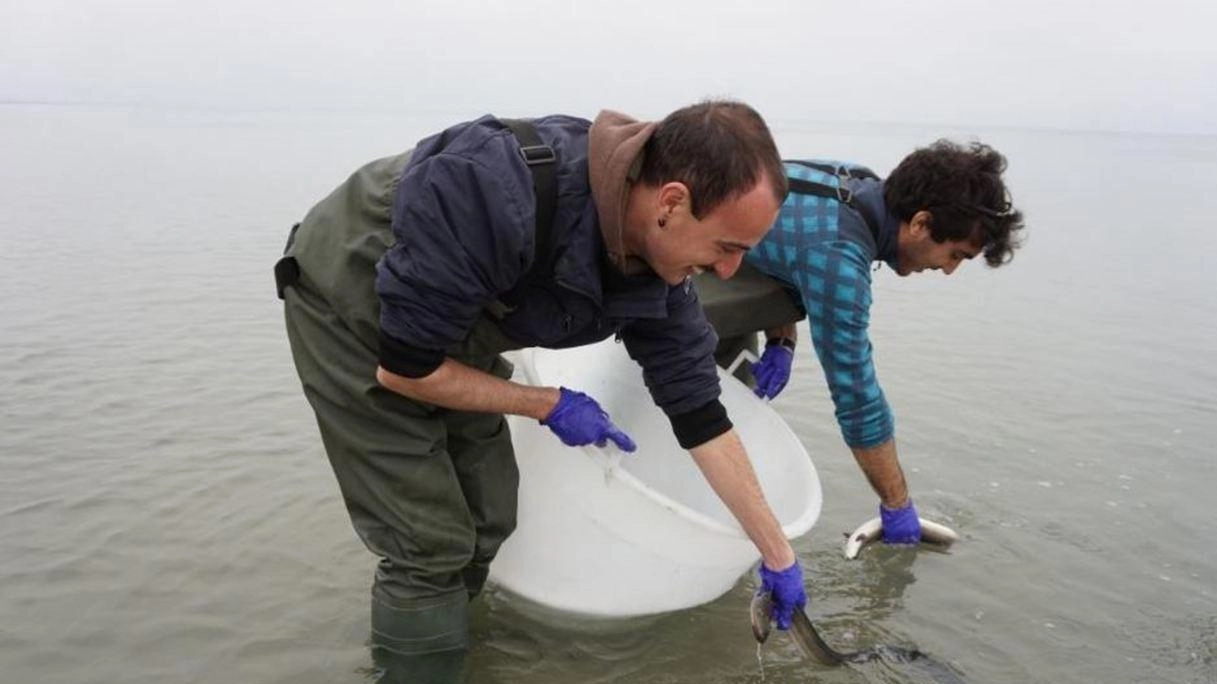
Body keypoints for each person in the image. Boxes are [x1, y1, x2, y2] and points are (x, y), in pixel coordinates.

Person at [274, 101, 809, 683]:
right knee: (427, 543)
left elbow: (703, 418)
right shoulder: (494, 189)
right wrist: (547, 403)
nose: (730, 271)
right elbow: (405, 369)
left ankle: (449, 650)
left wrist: (777, 553)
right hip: (349, 304)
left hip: (454, 324)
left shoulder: (661, 274)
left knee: (489, 515)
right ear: (672, 202)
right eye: (727, 246)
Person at [696, 140, 1025, 546]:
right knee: (695, 415)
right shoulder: (841, 257)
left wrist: (782, 338)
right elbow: (856, 396)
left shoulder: (858, 183)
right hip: (676, 274)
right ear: (920, 223)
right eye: (954, 254)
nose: (949, 271)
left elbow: (782, 243)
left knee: (732, 408)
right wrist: (896, 503)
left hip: (732, 264)